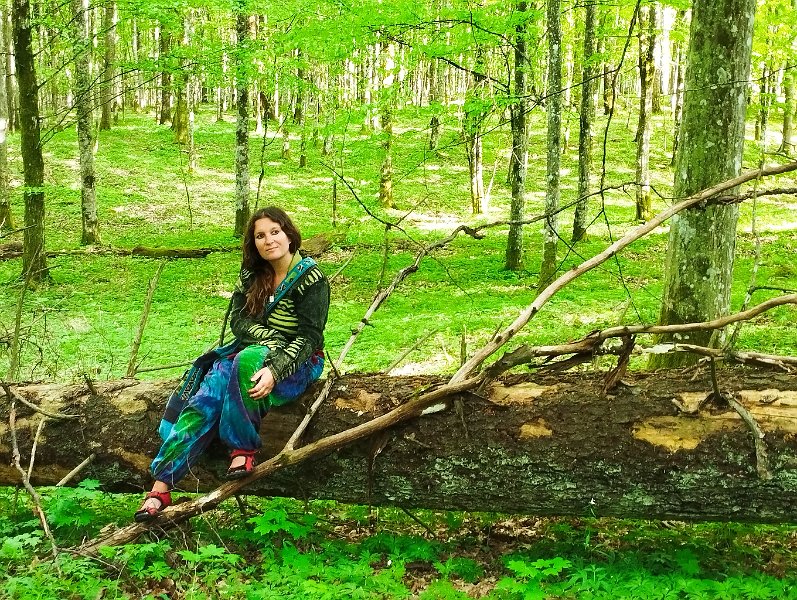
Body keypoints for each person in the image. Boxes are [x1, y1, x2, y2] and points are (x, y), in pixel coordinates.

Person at [134, 207, 330, 522]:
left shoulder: (311, 278)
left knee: (247, 360)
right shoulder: (252, 274)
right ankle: (161, 486)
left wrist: (275, 368)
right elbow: (239, 322)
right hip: (248, 351)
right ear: (254, 243)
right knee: (207, 396)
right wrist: (269, 339)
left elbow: (310, 337)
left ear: (290, 235)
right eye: (260, 236)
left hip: (298, 362)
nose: (269, 240)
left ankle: (243, 449)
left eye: (275, 232)